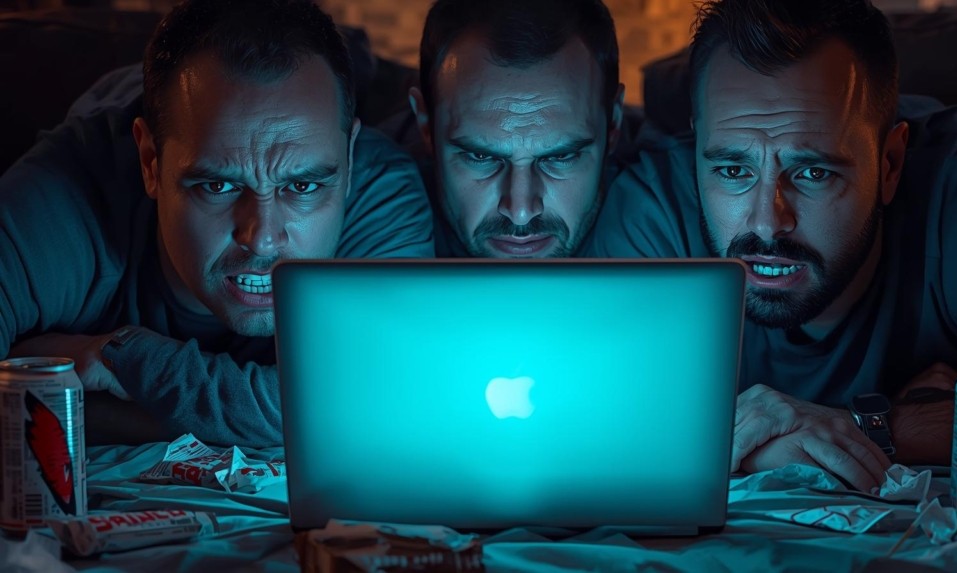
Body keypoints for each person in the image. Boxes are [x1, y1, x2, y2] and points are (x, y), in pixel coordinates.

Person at [585, 0, 957, 490]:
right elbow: (592, 426)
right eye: (732, 171)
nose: (768, 223)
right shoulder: (652, 212)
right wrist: (939, 422)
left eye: (813, 172)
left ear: (891, 163)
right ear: (699, 144)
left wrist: (876, 429)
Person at [0, 0, 434, 448]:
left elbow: (370, 399)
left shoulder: (378, 193)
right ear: (149, 163)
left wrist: (121, 357)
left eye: (303, 187)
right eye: (219, 187)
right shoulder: (64, 197)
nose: (263, 238)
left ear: (348, 158)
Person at [403, 0, 625, 258]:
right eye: (481, 157)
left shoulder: (664, 211)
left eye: (560, 157)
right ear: (425, 124)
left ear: (613, 123)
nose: (520, 213)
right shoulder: (367, 198)